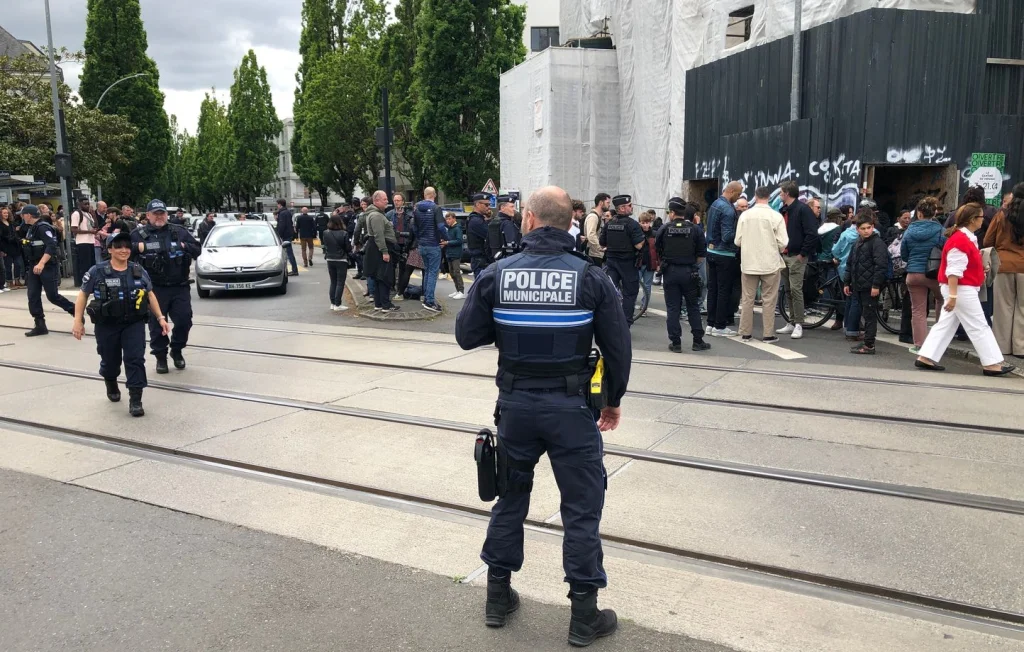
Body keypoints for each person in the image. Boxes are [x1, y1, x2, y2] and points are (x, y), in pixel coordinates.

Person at [455, 185, 630, 647]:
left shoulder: (497, 273)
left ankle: (497, 597)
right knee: (581, 507)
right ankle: (584, 616)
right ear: (569, 223)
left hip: (516, 409)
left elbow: (466, 336)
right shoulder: (591, 277)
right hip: (573, 410)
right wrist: (613, 400)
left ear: (529, 220)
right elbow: (617, 347)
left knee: (510, 498)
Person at [72, 229, 169, 417]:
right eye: (118, 247)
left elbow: (150, 295)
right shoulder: (97, 271)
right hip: (107, 325)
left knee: (135, 359)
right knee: (110, 361)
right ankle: (110, 380)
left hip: (133, 323)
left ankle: (135, 399)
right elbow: (83, 294)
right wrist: (78, 320)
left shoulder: (138, 270)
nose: (123, 250)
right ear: (110, 250)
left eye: (126, 246)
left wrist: (160, 318)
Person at [916, 203, 1015, 375]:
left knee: (946, 325)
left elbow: (956, 269)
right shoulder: (962, 240)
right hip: (961, 289)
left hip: (958, 288)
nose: (983, 220)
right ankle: (992, 364)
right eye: (981, 217)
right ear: (972, 220)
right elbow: (953, 271)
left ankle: (926, 356)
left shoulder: (961, 238)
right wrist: (953, 296)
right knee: (978, 325)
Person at [131, 199, 201, 374]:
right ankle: (160, 356)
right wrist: (138, 247)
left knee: (184, 320)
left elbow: (197, 249)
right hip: (154, 289)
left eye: (162, 213)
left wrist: (183, 245)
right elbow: (119, 251)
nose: (159, 217)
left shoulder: (179, 232)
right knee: (156, 325)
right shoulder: (138, 234)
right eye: (155, 214)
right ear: (147, 216)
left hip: (179, 286)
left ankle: (176, 349)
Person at [734, 186, 788, 343]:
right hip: (770, 262)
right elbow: (783, 242)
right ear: (769, 197)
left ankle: (745, 332)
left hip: (749, 262)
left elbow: (737, 241)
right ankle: (768, 334)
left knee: (747, 299)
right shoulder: (776, 216)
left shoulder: (745, 216)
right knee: (769, 300)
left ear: (755, 196)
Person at [656, 198, 710, 352]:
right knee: (693, 306)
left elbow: (658, 249)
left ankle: (676, 342)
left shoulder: (664, 229)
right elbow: (701, 254)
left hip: (670, 272)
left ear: (672, 213)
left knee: (673, 308)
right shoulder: (695, 229)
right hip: (689, 272)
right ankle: (698, 341)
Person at [18, 204, 76, 335]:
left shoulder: (43, 228)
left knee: (52, 296)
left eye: (22, 214)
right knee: (32, 295)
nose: (21, 217)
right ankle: (40, 324)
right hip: (34, 264)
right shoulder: (30, 228)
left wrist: (42, 263)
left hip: (47, 266)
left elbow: (51, 246)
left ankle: (74, 310)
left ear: (29, 215)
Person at [984, 182, 1024, 358]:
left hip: (1003, 264)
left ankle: (1001, 347)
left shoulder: (1001, 215)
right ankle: (1021, 347)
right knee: (1023, 308)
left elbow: (987, 240)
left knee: (1002, 307)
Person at [901, 197, 946, 352]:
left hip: (914, 273)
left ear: (919, 213)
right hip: (934, 274)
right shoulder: (940, 230)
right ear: (934, 213)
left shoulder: (909, 230)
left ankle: (919, 345)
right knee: (942, 300)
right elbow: (945, 249)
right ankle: (938, 341)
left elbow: (904, 254)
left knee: (918, 310)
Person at [778, 181, 819, 339]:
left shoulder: (802, 210)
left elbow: (811, 234)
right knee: (788, 289)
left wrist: (802, 254)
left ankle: (799, 323)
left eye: (781, 192)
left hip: (796, 255)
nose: (780, 195)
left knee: (795, 289)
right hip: (786, 254)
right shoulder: (785, 210)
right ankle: (792, 321)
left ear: (787, 193)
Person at [843, 213, 889, 355]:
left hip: (869, 286)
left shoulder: (877, 243)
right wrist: (847, 282)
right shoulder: (858, 242)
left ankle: (869, 344)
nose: (866, 230)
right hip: (859, 285)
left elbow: (881, 265)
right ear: (857, 229)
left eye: (869, 228)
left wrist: (876, 285)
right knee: (866, 313)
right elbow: (850, 263)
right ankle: (868, 342)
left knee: (869, 315)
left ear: (873, 227)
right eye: (863, 228)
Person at [705, 181, 743, 337]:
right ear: (732, 191)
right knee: (723, 290)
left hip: (711, 252)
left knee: (712, 289)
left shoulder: (715, 203)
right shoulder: (728, 209)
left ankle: (710, 323)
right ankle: (720, 326)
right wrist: (742, 231)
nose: (739, 197)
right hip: (725, 255)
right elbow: (727, 236)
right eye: (739, 194)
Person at [599, 194, 645, 324]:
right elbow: (638, 245)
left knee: (610, 293)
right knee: (629, 295)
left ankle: (609, 322)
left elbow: (602, 243)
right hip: (628, 264)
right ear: (623, 208)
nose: (632, 207)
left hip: (612, 263)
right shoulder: (633, 224)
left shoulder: (609, 223)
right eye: (630, 205)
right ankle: (625, 323)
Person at [412, 187, 448, 313]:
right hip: (433, 244)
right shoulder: (436, 208)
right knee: (433, 272)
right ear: (435, 195)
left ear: (424, 194)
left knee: (427, 271)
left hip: (422, 244)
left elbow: (414, 227)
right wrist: (446, 238)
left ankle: (426, 297)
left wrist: (420, 238)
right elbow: (440, 226)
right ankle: (429, 301)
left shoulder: (416, 208)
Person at [364, 191, 400, 312]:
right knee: (384, 277)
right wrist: (385, 252)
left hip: (376, 247)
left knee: (379, 277)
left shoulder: (375, 214)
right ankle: (385, 304)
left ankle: (379, 304)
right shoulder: (376, 216)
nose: (387, 201)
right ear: (377, 200)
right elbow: (378, 235)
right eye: (384, 199)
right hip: (380, 248)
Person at [322, 214, 352, 312]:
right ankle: (338, 304)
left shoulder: (325, 233)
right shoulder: (344, 233)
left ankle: (332, 303)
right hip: (341, 259)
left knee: (333, 281)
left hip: (330, 259)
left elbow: (325, 245)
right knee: (340, 282)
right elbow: (348, 248)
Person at [70, 198, 98, 287]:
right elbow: (74, 229)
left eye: (88, 204)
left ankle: (91, 282)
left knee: (91, 264)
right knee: (84, 265)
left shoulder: (89, 214)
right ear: (80, 205)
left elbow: (95, 226)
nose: (87, 206)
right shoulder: (77, 214)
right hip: (82, 242)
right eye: (85, 204)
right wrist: (89, 232)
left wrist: (93, 215)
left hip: (90, 241)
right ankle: (85, 284)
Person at [486, 195, 522, 263]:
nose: (514, 209)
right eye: (511, 206)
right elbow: (512, 246)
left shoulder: (493, 222)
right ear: (502, 208)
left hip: (495, 261)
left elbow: (487, 246)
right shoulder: (507, 224)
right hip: (508, 262)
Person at [636, 211, 659, 314]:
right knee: (634, 285)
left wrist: (658, 264)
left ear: (650, 222)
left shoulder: (654, 234)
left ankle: (644, 307)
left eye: (647, 222)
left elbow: (658, 250)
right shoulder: (636, 233)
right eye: (643, 222)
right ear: (639, 222)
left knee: (647, 286)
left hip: (650, 263)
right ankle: (631, 304)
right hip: (638, 263)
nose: (645, 225)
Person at [442, 212, 466, 299]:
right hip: (449, 253)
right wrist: (444, 243)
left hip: (456, 253)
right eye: (447, 219)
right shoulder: (450, 228)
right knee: (452, 273)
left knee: (456, 272)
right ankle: (457, 290)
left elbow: (459, 241)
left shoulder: (457, 228)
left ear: (454, 219)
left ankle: (461, 291)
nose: (448, 221)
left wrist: (447, 242)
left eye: (449, 219)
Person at [466, 196, 490, 277]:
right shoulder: (476, 221)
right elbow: (490, 235)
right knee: (483, 287)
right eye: (486, 205)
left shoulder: (478, 219)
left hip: (480, 259)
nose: (488, 207)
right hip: (480, 260)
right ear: (478, 204)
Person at [275, 199, 299, 276]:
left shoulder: (282, 213)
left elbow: (282, 225)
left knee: (289, 253)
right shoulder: (287, 212)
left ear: (280, 204)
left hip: (285, 235)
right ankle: (294, 269)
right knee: (288, 253)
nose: (277, 206)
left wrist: (278, 235)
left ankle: (294, 270)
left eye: (277, 204)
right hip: (288, 234)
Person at [584, 194, 609, 266]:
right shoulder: (593, 217)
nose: (609, 205)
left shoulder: (597, 216)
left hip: (596, 254)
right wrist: (599, 248)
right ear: (601, 203)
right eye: (607, 202)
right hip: (594, 254)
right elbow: (591, 235)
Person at [0, 206, 22, 291]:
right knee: (7, 265)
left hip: (14, 245)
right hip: (6, 247)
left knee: (18, 264)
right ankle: (9, 282)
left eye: (7, 213)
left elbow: (15, 232)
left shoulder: (11, 222)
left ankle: (17, 280)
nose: (6, 214)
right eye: (4, 213)